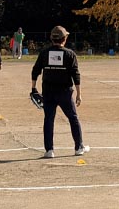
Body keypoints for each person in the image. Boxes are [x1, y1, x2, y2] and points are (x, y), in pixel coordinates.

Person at [31, 26, 89, 158]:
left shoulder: (45, 53)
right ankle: (79, 147)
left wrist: (33, 88)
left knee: (49, 119)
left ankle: (49, 150)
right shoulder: (69, 54)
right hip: (64, 92)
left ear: (52, 38)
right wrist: (79, 93)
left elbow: (35, 70)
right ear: (65, 39)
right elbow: (76, 75)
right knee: (73, 118)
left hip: (48, 91)